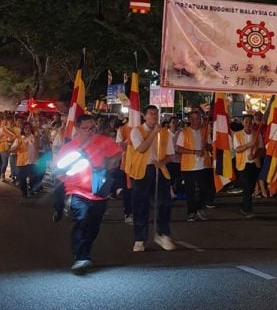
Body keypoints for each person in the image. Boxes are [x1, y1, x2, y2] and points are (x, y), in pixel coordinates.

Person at [51, 114, 123, 272]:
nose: (90, 131)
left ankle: (83, 250)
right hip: (76, 191)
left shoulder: (103, 141)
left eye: (92, 128)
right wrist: (67, 179)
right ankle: (81, 256)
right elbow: (58, 170)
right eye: (86, 128)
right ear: (77, 128)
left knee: (93, 226)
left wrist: (111, 163)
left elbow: (118, 153)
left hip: (98, 191)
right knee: (82, 219)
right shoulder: (68, 148)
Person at [128, 106, 176, 251]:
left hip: (159, 169)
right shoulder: (136, 131)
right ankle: (140, 239)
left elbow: (170, 155)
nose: (154, 116)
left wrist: (162, 162)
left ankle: (162, 234)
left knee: (165, 203)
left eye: (156, 114)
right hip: (142, 171)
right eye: (151, 114)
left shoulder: (165, 133)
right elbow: (142, 148)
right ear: (145, 116)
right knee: (141, 205)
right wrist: (154, 132)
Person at [176, 110, 213, 222]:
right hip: (189, 166)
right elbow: (178, 149)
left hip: (204, 165)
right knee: (190, 191)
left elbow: (211, 148)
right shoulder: (184, 132)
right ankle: (191, 212)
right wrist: (194, 152)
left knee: (204, 188)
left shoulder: (205, 131)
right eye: (193, 118)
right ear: (189, 120)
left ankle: (199, 207)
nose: (196, 121)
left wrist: (207, 146)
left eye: (198, 118)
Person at [232, 120, 259, 218]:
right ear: (243, 123)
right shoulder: (237, 135)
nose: (248, 124)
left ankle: (244, 206)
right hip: (242, 165)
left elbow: (262, 149)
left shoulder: (257, 134)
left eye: (250, 123)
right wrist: (249, 145)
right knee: (247, 186)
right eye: (246, 122)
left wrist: (255, 155)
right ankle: (248, 209)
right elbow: (237, 149)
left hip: (254, 164)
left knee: (251, 188)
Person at [12, 122, 37, 197]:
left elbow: (37, 148)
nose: (27, 129)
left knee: (33, 178)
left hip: (32, 161)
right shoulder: (19, 138)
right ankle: (24, 193)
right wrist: (17, 145)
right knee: (22, 179)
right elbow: (12, 149)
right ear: (23, 129)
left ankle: (31, 190)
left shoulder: (34, 137)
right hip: (22, 162)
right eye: (25, 127)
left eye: (29, 127)